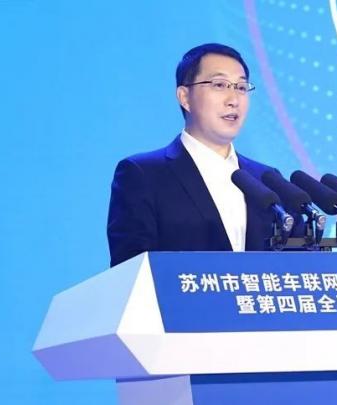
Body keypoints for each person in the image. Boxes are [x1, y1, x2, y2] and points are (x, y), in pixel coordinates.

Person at [107, 43, 278, 267]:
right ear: (184, 97)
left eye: (241, 87)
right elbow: (131, 270)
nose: (233, 99)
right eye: (219, 85)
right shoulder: (142, 175)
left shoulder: (267, 180)